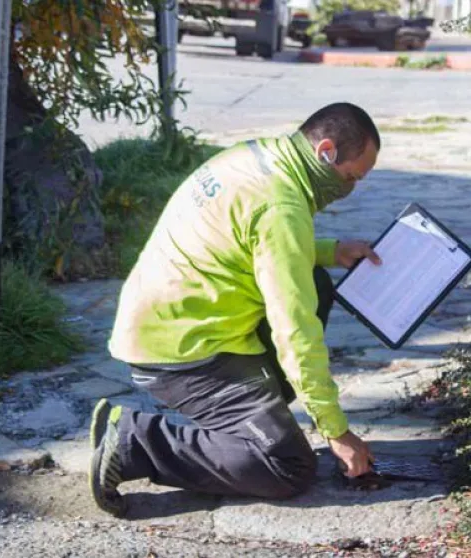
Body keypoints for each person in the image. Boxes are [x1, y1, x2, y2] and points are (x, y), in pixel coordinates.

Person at [90, 102, 383, 517]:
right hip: (183, 351)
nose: (349, 189)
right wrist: (336, 431)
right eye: (351, 177)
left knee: (315, 280)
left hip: (167, 319)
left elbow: (246, 240)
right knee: (289, 466)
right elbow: (294, 332)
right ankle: (134, 443)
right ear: (327, 151)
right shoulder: (282, 208)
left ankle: (252, 419)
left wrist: (329, 251)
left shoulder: (256, 156)